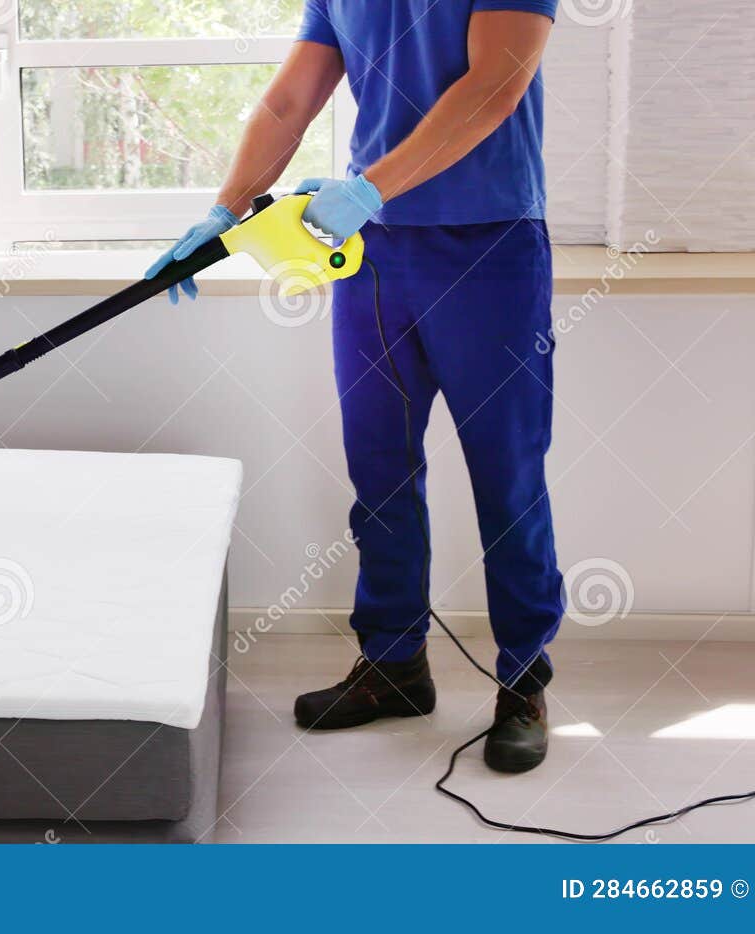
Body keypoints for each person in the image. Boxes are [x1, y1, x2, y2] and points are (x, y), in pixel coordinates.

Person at [146, 1, 562, 773]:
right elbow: (290, 99)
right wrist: (225, 208)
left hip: (489, 245)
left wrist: (369, 187)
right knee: (379, 469)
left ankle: (523, 679)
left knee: (508, 475)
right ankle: (395, 665)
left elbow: (495, 85)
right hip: (372, 257)